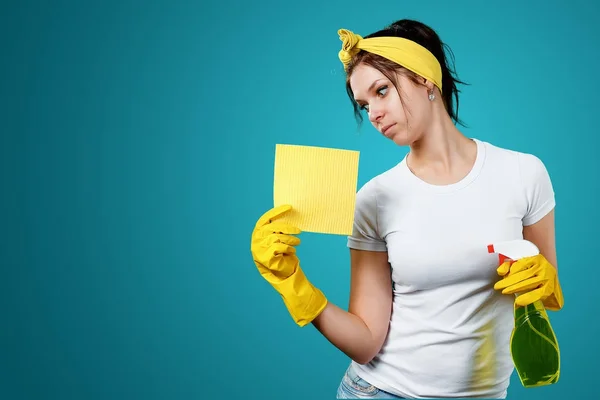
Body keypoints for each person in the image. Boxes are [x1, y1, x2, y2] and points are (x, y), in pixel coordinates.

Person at [250, 19, 565, 399]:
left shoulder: (524, 172)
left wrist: (546, 282)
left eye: (382, 91)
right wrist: (293, 285)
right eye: (364, 104)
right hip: (383, 391)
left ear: (426, 79)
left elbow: (549, 294)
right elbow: (366, 341)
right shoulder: (375, 198)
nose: (374, 114)